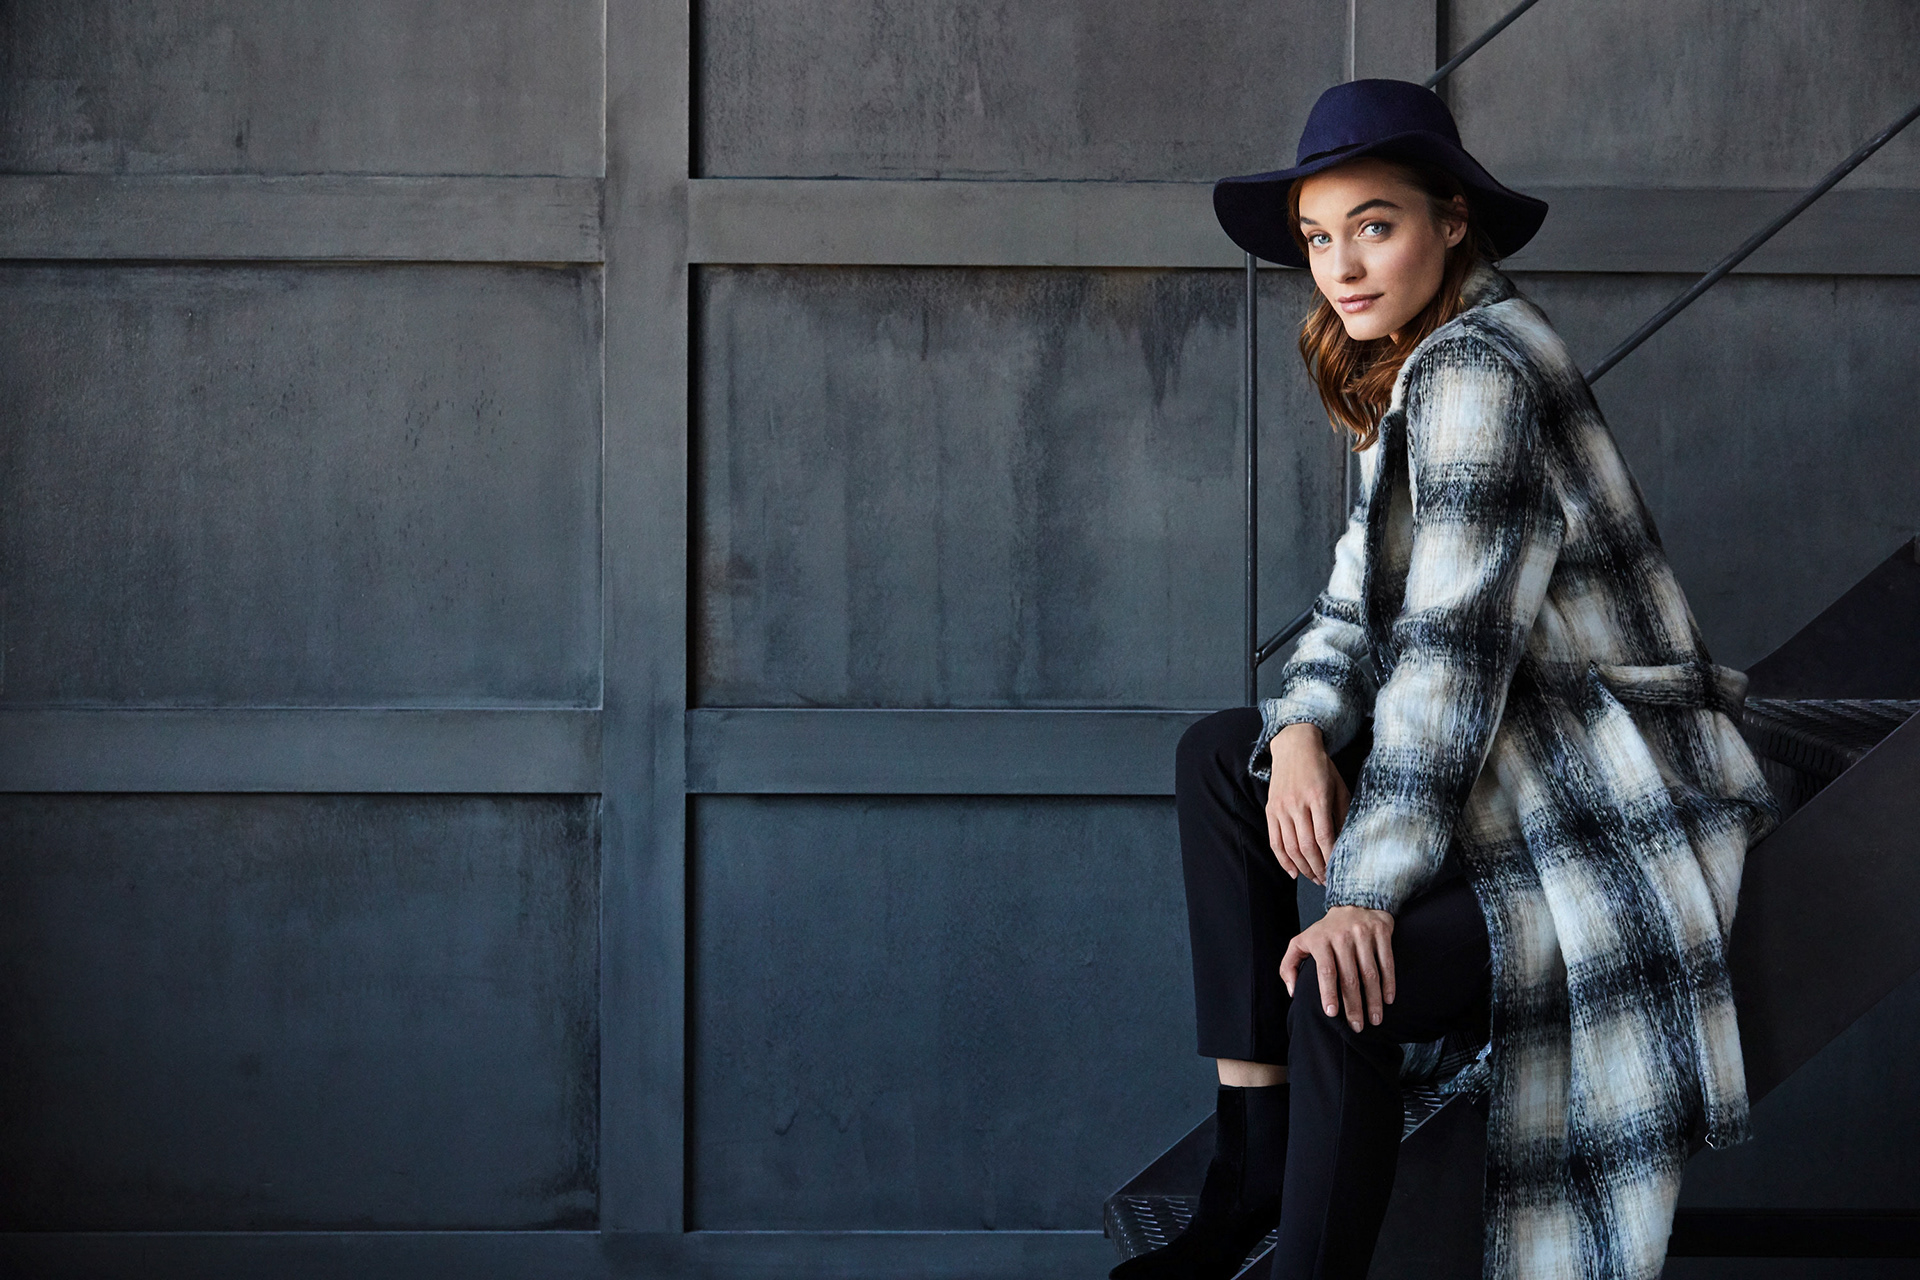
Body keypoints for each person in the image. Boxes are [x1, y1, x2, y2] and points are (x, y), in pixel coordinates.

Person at [1113, 80, 1778, 1280]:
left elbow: (1450, 660)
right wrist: (1301, 728)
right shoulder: (1417, 363)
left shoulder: (1481, 374)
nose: (1341, 266)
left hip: (1601, 798)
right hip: (1513, 766)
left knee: (1340, 987)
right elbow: (1348, 611)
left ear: (1452, 219)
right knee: (1223, 753)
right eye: (1319, 236)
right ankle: (1252, 1153)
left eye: (1374, 226)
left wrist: (1365, 893)